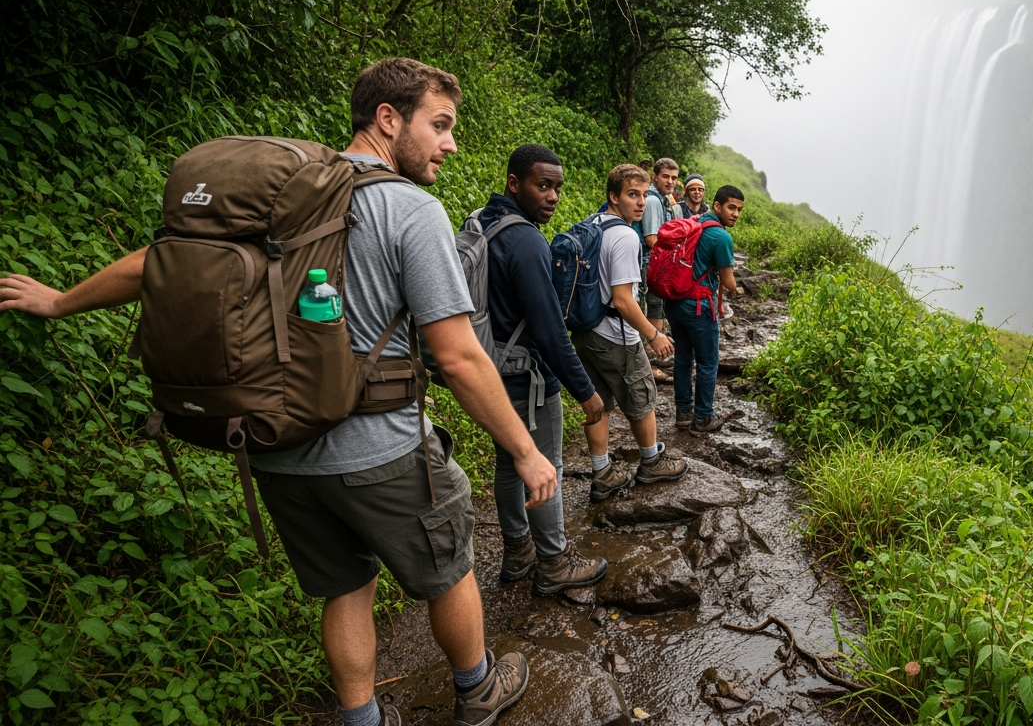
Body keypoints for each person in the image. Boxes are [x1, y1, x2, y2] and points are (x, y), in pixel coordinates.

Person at [0, 58, 538, 726]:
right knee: (449, 568)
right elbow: (457, 358)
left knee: (346, 586)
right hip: (383, 453)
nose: (450, 144)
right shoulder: (410, 209)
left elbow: (157, 263)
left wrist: (58, 302)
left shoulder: (281, 200)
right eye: (440, 125)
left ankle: (361, 720)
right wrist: (524, 449)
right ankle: (478, 688)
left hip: (276, 447)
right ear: (388, 118)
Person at [476, 143, 612, 597]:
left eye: (557, 187)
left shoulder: (481, 222)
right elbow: (550, 330)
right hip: (528, 379)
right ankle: (553, 561)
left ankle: (518, 552)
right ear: (514, 183)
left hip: (490, 372)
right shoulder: (528, 241)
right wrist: (586, 391)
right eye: (542, 185)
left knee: (509, 462)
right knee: (543, 464)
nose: (553, 196)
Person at [572, 164, 690, 501]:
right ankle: (652, 461)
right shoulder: (625, 235)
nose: (640, 203)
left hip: (585, 330)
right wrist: (654, 336)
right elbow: (624, 300)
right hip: (614, 335)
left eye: (641, 195)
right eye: (631, 195)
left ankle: (602, 472)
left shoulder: (591, 224)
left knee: (598, 403)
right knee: (641, 398)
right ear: (614, 196)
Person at [667, 185, 746, 435]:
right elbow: (729, 282)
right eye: (731, 207)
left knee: (682, 359)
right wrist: (738, 290)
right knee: (708, 362)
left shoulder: (694, 222)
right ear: (717, 206)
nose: (735, 214)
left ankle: (683, 413)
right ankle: (702, 419)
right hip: (699, 306)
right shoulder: (722, 237)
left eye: (739, 210)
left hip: (675, 301)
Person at [638, 158, 680, 334]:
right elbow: (651, 240)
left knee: (655, 306)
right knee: (654, 306)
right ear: (654, 177)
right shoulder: (654, 201)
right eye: (665, 176)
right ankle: (654, 348)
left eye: (674, 178)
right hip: (650, 263)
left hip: (653, 262)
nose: (670, 181)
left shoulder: (662, 200)